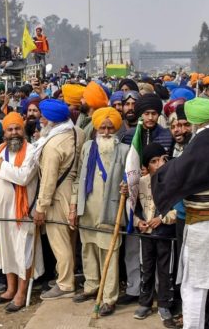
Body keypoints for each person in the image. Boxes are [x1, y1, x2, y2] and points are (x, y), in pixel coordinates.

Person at [152, 98, 209, 328]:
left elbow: (169, 179)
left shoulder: (197, 147)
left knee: (194, 288)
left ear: (195, 122)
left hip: (203, 231)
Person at [71, 107, 129, 316]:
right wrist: (73, 206)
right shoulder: (88, 146)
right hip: (87, 207)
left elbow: (132, 179)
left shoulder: (124, 150)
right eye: (102, 128)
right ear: (95, 129)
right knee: (88, 249)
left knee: (109, 253)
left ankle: (108, 297)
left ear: (116, 129)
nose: (105, 132)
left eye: (109, 128)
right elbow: (78, 176)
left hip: (110, 209)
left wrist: (128, 186)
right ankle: (92, 285)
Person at [0, 112, 43, 313]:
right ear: (4, 133)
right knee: (7, 250)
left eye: (17, 128)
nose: (14, 133)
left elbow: (23, 177)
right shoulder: (0, 149)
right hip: (1, 213)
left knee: (23, 253)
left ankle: (21, 292)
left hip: (22, 213)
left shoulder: (32, 151)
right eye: (10, 129)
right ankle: (10, 289)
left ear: (23, 130)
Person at [33, 99, 85, 300]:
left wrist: (41, 207)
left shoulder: (53, 145)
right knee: (69, 239)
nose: (41, 120)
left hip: (57, 194)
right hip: (73, 192)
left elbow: (48, 180)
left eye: (43, 117)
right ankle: (67, 275)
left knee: (59, 241)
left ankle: (65, 285)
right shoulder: (77, 132)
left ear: (51, 121)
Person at [133, 143, 176, 326]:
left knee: (165, 270)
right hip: (147, 235)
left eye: (162, 160)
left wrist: (162, 219)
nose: (159, 164)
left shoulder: (174, 181)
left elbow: (178, 210)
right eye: (153, 161)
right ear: (146, 166)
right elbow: (132, 210)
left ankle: (164, 304)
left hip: (165, 233)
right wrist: (138, 222)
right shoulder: (140, 183)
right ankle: (145, 302)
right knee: (147, 267)